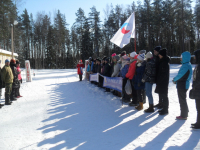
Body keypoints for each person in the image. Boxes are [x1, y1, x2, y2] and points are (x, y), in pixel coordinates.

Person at [172, 51, 192, 120]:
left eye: (181, 57)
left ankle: (184, 115)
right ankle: (185, 112)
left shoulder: (186, 66)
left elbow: (180, 75)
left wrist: (174, 79)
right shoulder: (186, 65)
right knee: (182, 99)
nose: (180, 59)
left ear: (185, 58)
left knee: (182, 99)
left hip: (182, 85)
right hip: (182, 84)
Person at [155, 49, 170, 115]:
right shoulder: (161, 61)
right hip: (161, 81)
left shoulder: (165, 62)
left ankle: (165, 109)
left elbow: (163, 74)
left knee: (164, 96)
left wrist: (160, 80)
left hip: (163, 82)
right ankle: (163, 108)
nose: (159, 55)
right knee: (162, 95)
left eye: (160, 54)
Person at [191, 50, 200, 129]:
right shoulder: (198, 65)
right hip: (197, 89)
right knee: (198, 107)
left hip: (198, 89)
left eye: (195, 55)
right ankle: (198, 122)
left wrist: (195, 85)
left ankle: (199, 123)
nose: (194, 57)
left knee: (199, 107)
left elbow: (198, 79)